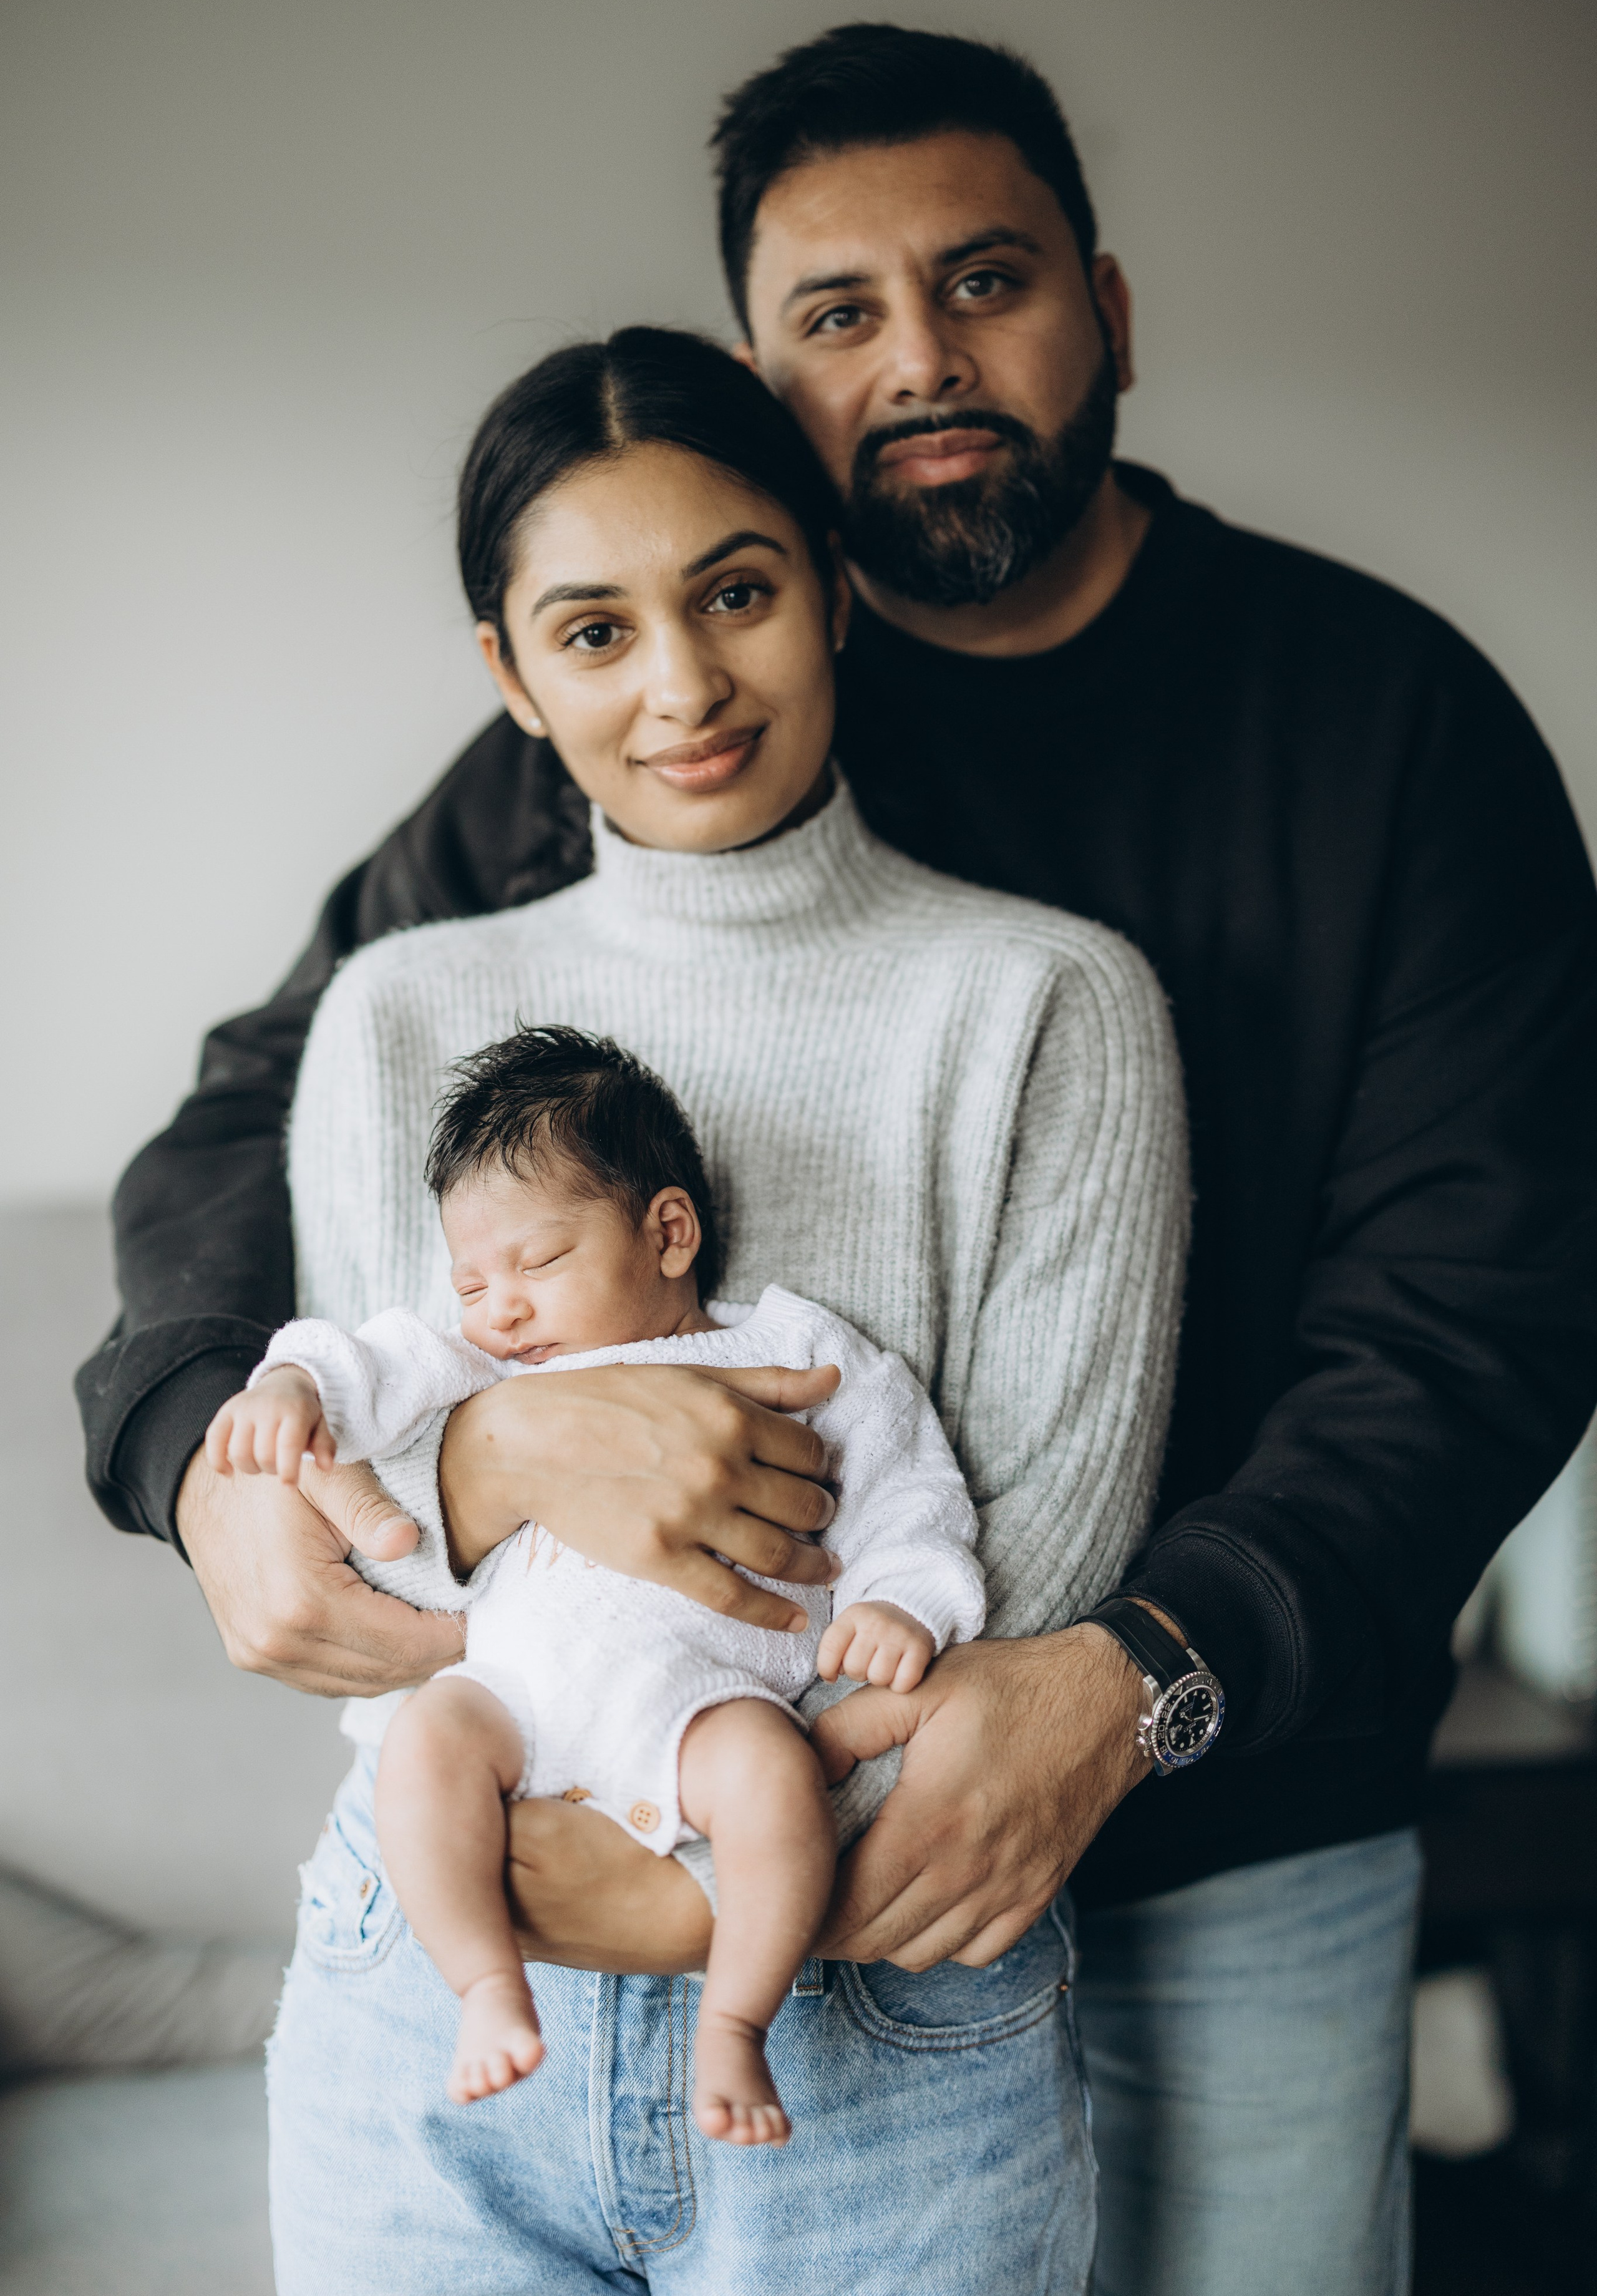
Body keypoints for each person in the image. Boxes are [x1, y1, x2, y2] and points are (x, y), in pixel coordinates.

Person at [77, 22, 1597, 2295]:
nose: (924, 360)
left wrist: (1135, 1673)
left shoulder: (1386, 724)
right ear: (769, 396)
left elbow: (1475, 1316)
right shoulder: (686, 708)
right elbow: (274, 1099)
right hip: (709, 1815)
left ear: (1109, 305)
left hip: (1232, 1801)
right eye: (837, 317)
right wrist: (214, 1442)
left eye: (985, 281)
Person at [244, 323, 1185, 2290]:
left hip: (874, 2006)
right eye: (591, 632)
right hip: (430, 1991)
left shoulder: (1040, 1004)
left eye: (736, 594)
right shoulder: (395, 1013)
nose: (681, 687)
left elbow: (1014, 1594)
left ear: (836, 588)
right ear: (508, 676)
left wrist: (696, 1889)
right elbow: (383, 1512)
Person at [211, 1023, 985, 2140]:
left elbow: (914, 1488)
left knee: (777, 1788)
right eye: (471, 1280)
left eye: (537, 1263)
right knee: (423, 1746)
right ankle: (484, 1988)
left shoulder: (792, 1353)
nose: (500, 1309)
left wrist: (903, 1600)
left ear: (669, 1232)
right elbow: (369, 1360)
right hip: (518, 1694)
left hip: (706, 1701)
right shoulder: (481, 1366)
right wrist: (292, 1385)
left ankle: (736, 2024)